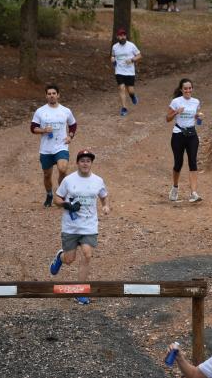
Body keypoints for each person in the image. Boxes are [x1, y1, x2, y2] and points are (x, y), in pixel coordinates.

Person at [49, 149, 110, 305]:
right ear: (77, 163)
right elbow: (57, 198)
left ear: (91, 163)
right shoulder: (69, 180)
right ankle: (60, 257)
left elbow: (103, 195)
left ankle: (80, 292)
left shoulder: (98, 180)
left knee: (87, 254)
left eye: (88, 161)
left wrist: (105, 206)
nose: (85, 163)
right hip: (71, 226)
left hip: (89, 226)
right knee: (70, 259)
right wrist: (67, 205)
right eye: (82, 161)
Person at [31, 84, 77, 207]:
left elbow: (73, 124)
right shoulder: (40, 111)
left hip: (61, 146)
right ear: (46, 96)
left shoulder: (66, 111)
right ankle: (49, 194)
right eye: (49, 94)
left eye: (54, 93)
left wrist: (70, 136)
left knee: (63, 169)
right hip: (46, 149)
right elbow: (33, 128)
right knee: (47, 175)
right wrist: (43, 130)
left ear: (58, 95)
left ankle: (60, 195)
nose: (52, 96)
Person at [167, 78, 203, 203]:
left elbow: (198, 121)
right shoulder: (176, 101)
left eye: (190, 88)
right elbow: (167, 118)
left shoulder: (196, 102)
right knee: (178, 163)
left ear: (192, 89)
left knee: (193, 161)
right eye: (185, 88)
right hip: (178, 134)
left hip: (192, 134)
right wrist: (177, 111)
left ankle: (193, 193)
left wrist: (198, 117)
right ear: (181, 90)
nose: (188, 90)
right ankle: (175, 187)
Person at [111, 28, 142, 116]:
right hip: (119, 71)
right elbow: (113, 56)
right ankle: (124, 108)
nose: (123, 37)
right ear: (117, 37)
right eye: (121, 36)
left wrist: (132, 59)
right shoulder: (115, 47)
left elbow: (139, 55)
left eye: (124, 35)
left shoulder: (131, 45)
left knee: (130, 90)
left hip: (130, 72)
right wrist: (112, 59)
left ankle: (132, 96)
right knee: (121, 88)